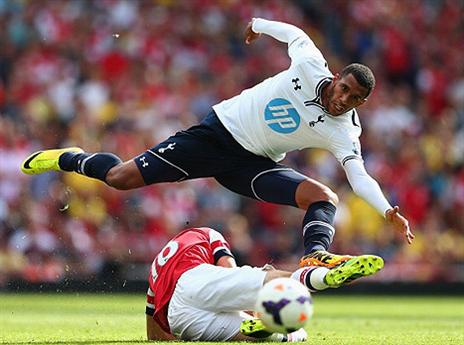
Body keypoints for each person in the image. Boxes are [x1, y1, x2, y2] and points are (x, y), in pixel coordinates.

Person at [21, 18, 414, 268]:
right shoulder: (311, 66)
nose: (343, 100)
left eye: (354, 99)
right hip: (217, 134)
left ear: (363, 102)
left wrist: (385, 211)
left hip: (252, 164)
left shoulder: (345, 130)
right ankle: (72, 158)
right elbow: (295, 34)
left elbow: (358, 175)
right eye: (344, 88)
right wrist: (259, 24)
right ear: (338, 76)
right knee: (122, 178)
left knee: (324, 197)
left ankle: (314, 257)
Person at [144, 226, 384, 341]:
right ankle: (324, 277)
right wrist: (256, 283)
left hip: (179, 319)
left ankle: (277, 330)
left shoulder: (157, 267)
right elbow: (229, 270)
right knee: (268, 278)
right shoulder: (206, 234)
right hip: (193, 282)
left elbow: (154, 335)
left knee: (280, 336)